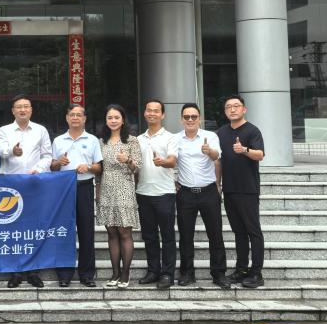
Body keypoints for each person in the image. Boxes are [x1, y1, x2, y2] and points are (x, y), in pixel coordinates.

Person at [0, 94, 52, 289]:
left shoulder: (40, 130)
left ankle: (34, 271)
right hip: (11, 187)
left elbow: (47, 155)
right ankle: (16, 272)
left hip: (34, 185)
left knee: (34, 229)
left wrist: (39, 169)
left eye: (26, 106)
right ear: (13, 111)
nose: (22, 110)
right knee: (12, 230)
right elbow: (0, 150)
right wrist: (13, 151)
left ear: (31, 110)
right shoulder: (4, 130)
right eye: (19, 107)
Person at [174, 103, 231, 289]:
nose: (190, 120)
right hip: (185, 193)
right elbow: (171, 161)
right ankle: (187, 273)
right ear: (181, 119)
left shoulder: (210, 136)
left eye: (194, 116)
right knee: (185, 236)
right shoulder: (175, 139)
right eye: (187, 117)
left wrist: (209, 151)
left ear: (199, 118)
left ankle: (219, 273)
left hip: (208, 192)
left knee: (215, 235)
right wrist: (174, 181)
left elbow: (217, 157)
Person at [216, 95, 267, 289]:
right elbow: (217, 161)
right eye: (228, 107)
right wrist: (218, 185)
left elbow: (260, 154)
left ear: (244, 109)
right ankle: (241, 269)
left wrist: (244, 150)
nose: (232, 109)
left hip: (248, 189)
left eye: (236, 106)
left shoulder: (252, 130)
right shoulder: (221, 132)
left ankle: (257, 272)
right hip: (230, 189)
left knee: (253, 231)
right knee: (238, 232)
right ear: (225, 111)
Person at [50, 104, 103, 287]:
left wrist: (88, 167)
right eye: (72, 115)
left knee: (86, 231)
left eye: (79, 115)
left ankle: (87, 274)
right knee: (64, 231)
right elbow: (52, 167)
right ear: (67, 118)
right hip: (63, 189)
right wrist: (58, 162)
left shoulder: (93, 140)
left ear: (84, 118)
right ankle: (64, 274)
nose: (75, 118)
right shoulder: (58, 141)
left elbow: (99, 167)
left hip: (84, 187)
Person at [97, 104, 142, 289]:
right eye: (110, 118)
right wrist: (98, 192)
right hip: (107, 188)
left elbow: (137, 168)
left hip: (124, 187)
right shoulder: (101, 141)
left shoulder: (132, 141)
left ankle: (125, 273)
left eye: (117, 117)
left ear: (123, 120)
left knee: (124, 232)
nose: (113, 121)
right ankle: (115, 273)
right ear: (106, 121)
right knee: (111, 232)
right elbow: (99, 169)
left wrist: (128, 160)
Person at [136, 99, 179, 290]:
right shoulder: (138, 139)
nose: (152, 113)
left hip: (164, 193)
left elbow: (172, 161)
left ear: (162, 115)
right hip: (143, 192)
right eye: (149, 110)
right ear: (145, 113)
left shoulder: (170, 137)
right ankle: (153, 271)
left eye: (156, 111)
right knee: (149, 236)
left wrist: (163, 162)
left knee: (168, 236)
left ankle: (167, 274)